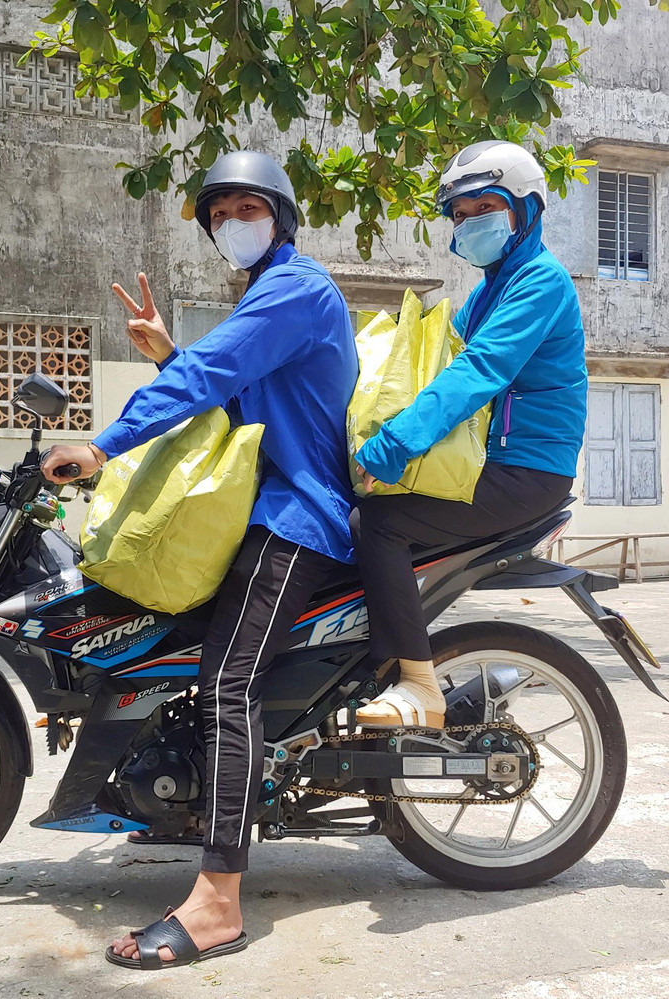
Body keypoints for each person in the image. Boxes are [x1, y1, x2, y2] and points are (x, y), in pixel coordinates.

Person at [41, 150, 358, 970]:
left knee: (226, 684)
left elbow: (214, 375)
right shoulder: (271, 294)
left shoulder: (297, 287)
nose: (229, 225)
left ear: (280, 217)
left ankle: (218, 900)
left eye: (243, 208)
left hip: (297, 516)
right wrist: (164, 355)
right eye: (217, 216)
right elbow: (233, 392)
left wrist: (104, 444)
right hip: (261, 510)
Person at [350, 139, 588, 728]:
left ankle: (416, 685)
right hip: (490, 464)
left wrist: (389, 447)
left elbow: (476, 371)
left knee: (380, 526)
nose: (468, 223)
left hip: (525, 472)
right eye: (458, 215)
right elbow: (426, 369)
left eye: (483, 208)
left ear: (526, 208)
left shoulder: (540, 281)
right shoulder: (487, 291)